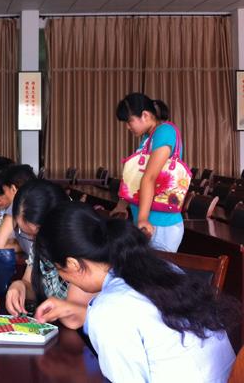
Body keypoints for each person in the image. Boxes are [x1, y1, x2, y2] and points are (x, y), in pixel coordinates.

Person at [33, 201, 237, 382]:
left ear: (73, 264)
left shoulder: (109, 309)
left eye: (59, 270)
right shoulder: (158, 268)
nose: (63, 278)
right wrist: (83, 314)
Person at [0, 179, 93, 317]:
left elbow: (73, 319)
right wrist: (20, 286)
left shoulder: (79, 247)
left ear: (57, 222)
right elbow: (30, 283)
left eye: (36, 234)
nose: (34, 241)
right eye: (26, 233)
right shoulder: (40, 240)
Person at [112, 93, 185, 252]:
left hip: (160, 224)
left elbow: (150, 177)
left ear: (145, 115)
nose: (128, 127)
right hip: (146, 222)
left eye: (129, 121)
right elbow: (134, 178)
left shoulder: (165, 131)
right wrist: (121, 205)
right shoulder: (148, 138)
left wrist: (143, 219)